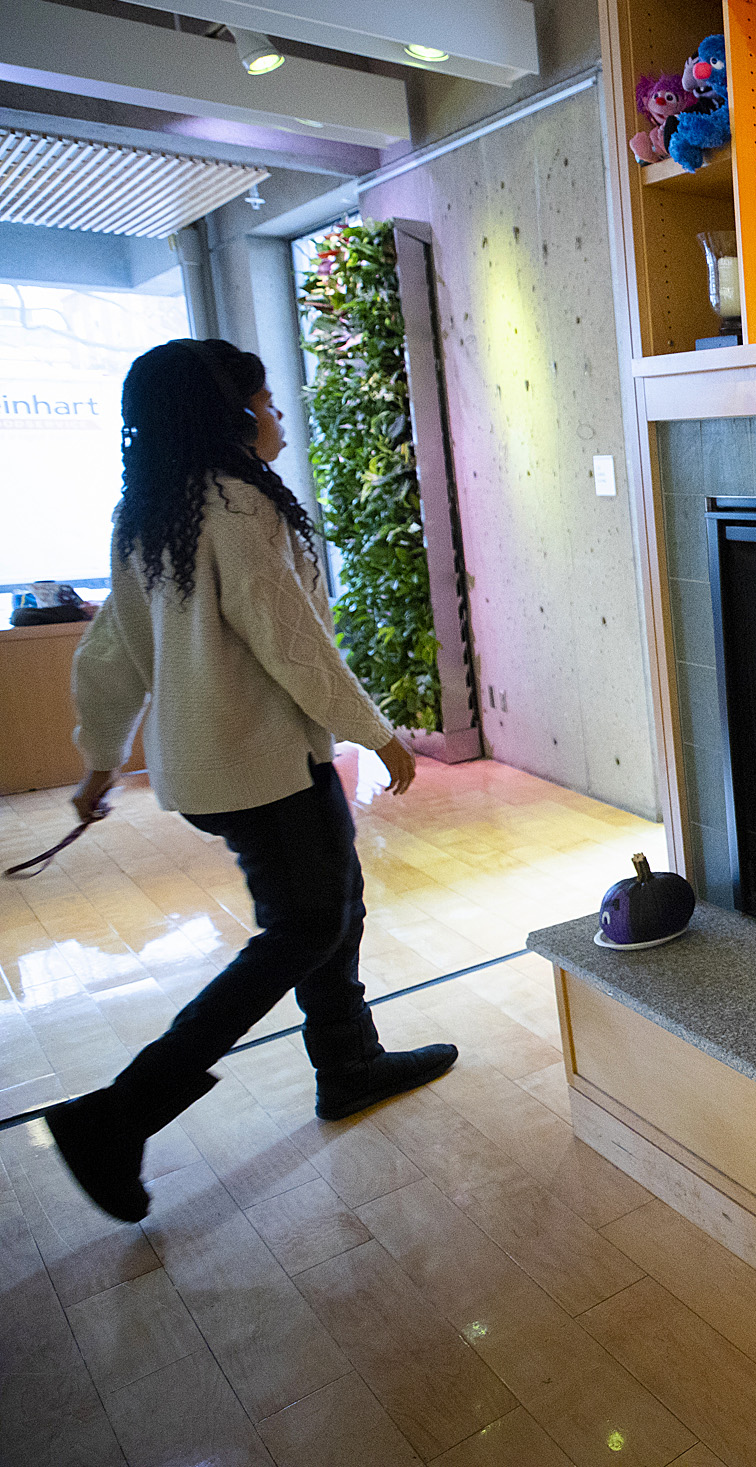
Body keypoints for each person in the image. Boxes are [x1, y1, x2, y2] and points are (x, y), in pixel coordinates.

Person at [47, 338, 455, 1224]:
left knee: (330, 903)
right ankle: (122, 1113)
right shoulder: (236, 506)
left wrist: (100, 760)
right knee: (306, 922)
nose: (276, 415)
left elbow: (110, 649)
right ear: (227, 416)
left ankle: (349, 1063)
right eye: (264, 402)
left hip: (220, 767)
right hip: (262, 762)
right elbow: (292, 639)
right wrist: (377, 734)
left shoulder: (151, 510)